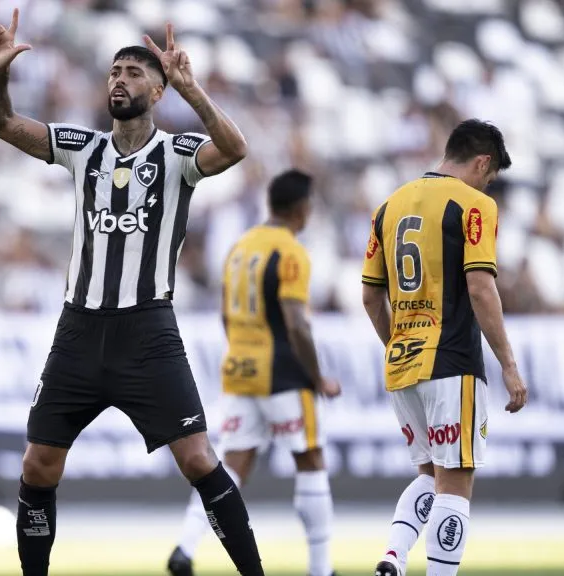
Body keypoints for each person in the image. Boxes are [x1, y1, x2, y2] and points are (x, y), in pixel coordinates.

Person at [0, 8, 264, 576]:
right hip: (79, 330)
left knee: (198, 459)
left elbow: (234, 149)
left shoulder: (179, 155)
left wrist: (194, 89)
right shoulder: (81, 148)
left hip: (148, 331)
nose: (120, 79)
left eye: (135, 73)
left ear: (157, 92)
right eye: (115, 71)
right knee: (38, 465)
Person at [361, 119, 528, 576]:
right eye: (489, 176)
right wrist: (509, 367)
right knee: (455, 482)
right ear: (482, 162)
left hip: (402, 363)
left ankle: (393, 556)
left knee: (430, 474)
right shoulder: (475, 205)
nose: (486, 184)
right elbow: (480, 289)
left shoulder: (388, 207)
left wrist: (399, 344)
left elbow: (371, 296)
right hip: (452, 360)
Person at [167, 170, 341, 576]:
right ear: (302, 208)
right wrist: (317, 378)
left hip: (240, 371)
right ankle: (321, 568)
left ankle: (185, 547)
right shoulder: (291, 250)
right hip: (282, 373)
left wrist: (241, 354)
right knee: (310, 459)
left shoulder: (240, 248)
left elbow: (227, 314)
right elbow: (296, 322)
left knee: (230, 466)